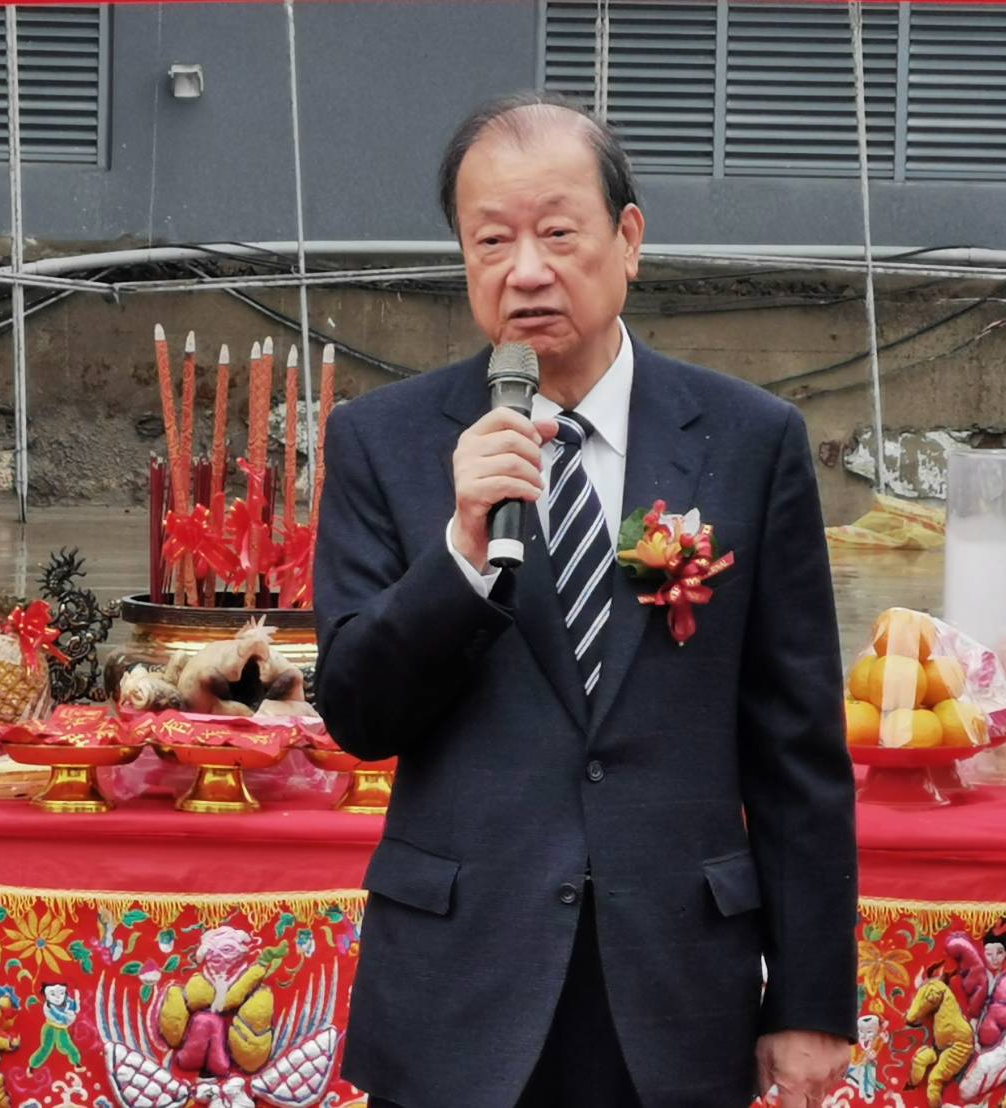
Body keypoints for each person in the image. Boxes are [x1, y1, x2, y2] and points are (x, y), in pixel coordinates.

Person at [314, 90, 856, 1108]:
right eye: (491, 241)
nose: (525, 270)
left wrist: (810, 1001)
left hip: (675, 992)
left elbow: (797, 750)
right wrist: (460, 553)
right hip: (459, 990)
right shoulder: (384, 443)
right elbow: (356, 714)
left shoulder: (749, 442)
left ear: (628, 240)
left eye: (557, 233)